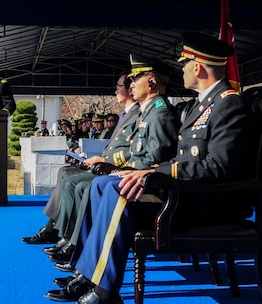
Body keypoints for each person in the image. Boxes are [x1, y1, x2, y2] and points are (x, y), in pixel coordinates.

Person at [51, 32, 253, 304]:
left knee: (118, 192)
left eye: (185, 64)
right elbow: (184, 158)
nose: (181, 69)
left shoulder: (228, 104)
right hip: (187, 190)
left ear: (198, 68)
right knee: (104, 185)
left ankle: (106, 295)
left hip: (210, 199)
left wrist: (154, 172)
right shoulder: (201, 104)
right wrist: (148, 172)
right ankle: (88, 275)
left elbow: (217, 167)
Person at [46, 54, 180, 265]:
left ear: (152, 82)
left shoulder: (160, 113)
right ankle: (79, 250)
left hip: (149, 184)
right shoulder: (148, 113)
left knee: (92, 186)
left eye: (136, 79)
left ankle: (83, 254)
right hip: (133, 174)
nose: (132, 84)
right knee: (86, 184)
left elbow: (154, 159)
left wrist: (121, 169)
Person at [22, 69, 140, 244]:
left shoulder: (137, 113)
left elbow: (132, 150)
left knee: (72, 181)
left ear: (130, 88)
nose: (115, 91)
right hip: (107, 164)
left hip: (116, 169)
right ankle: (53, 227)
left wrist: (103, 160)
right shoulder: (127, 113)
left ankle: (63, 233)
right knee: (64, 171)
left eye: (118, 86)